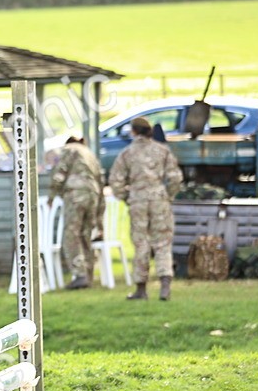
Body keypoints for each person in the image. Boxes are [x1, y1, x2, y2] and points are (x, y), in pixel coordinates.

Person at [108, 116, 184, 300]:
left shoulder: (127, 153)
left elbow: (115, 181)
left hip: (138, 200)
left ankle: (141, 288)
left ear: (133, 131)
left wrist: (128, 197)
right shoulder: (162, 150)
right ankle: (165, 285)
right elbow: (175, 178)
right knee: (163, 242)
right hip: (159, 199)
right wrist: (168, 195)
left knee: (141, 243)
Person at [49, 137, 104, 290]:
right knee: (85, 234)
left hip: (75, 194)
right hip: (93, 194)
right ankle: (89, 274)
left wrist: (52, 195)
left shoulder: (69, 149)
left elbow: (60, 172)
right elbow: (101, 179)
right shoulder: (90, 154)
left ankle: (79, 275)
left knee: (71, 234)